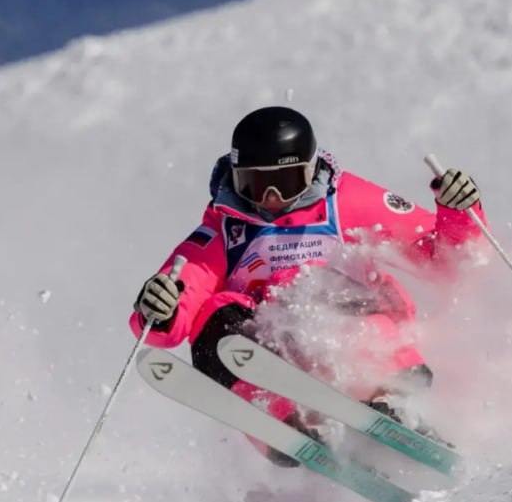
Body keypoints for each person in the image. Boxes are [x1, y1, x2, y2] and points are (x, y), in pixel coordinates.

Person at [130, 106, 484, 466]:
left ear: (312, 170)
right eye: (254, 183)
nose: (270, 197)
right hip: (282, 357)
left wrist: (458, 213)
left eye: (285, 183)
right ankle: (279, 418)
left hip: (363, 334)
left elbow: (443, 260)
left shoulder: (346, 202)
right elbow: (180, 302)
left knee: (313, 281)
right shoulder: (224, 229)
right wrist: (159, 309)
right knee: (216, 312)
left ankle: (391, 400)